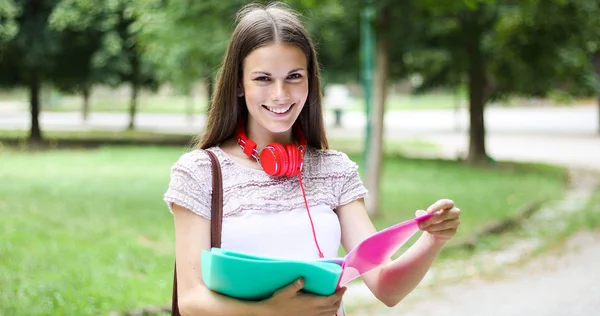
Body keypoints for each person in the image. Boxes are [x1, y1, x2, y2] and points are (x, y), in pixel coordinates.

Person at [163, 2, 461, 316]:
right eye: (263, 79)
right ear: (238, 84)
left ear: (310, 80)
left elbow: (387, 287)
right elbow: (191, 299)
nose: (280, 94)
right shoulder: (199, 173)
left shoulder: (335, 170)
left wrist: (434, 239)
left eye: (294, 76)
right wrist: (274, 310)